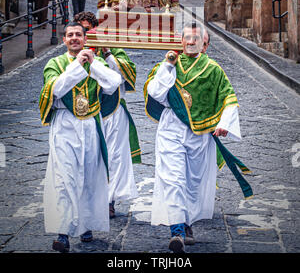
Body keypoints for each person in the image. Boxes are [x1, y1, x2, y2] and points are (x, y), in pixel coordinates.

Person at [144, 21, 252, 253]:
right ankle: (177, 231)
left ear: (205, 44)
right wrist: (167, 66)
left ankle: (187, 221)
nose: (191, 42)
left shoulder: (213, 69)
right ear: (181, 42)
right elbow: (155, 92)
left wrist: (224, 124)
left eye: (196, 38)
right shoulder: (168, 65)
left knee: (193, 181)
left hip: (200, 133)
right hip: (172, 127)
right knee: (173, 178)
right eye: (187, 38)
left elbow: (228, 97)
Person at [39, 22, 122, 253]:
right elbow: (56, 89)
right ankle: (63, 232)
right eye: (70, 35)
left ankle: (86, 225)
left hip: (90, 125)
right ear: (64, 40)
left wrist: (93, 64)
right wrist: (77, 64)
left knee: (89, 176)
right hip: (66, 124)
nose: (74, 38)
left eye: (78, 35)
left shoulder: (98, 63)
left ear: (85, 39)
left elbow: (113, 83)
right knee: (65, 178)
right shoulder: (54, 64)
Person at [99, 47, 141, 218]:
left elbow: (124, 76)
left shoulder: (116, 51)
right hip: (85, 112)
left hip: (114, 111)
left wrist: (108, 53)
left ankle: (109, 201)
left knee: (114, 157)